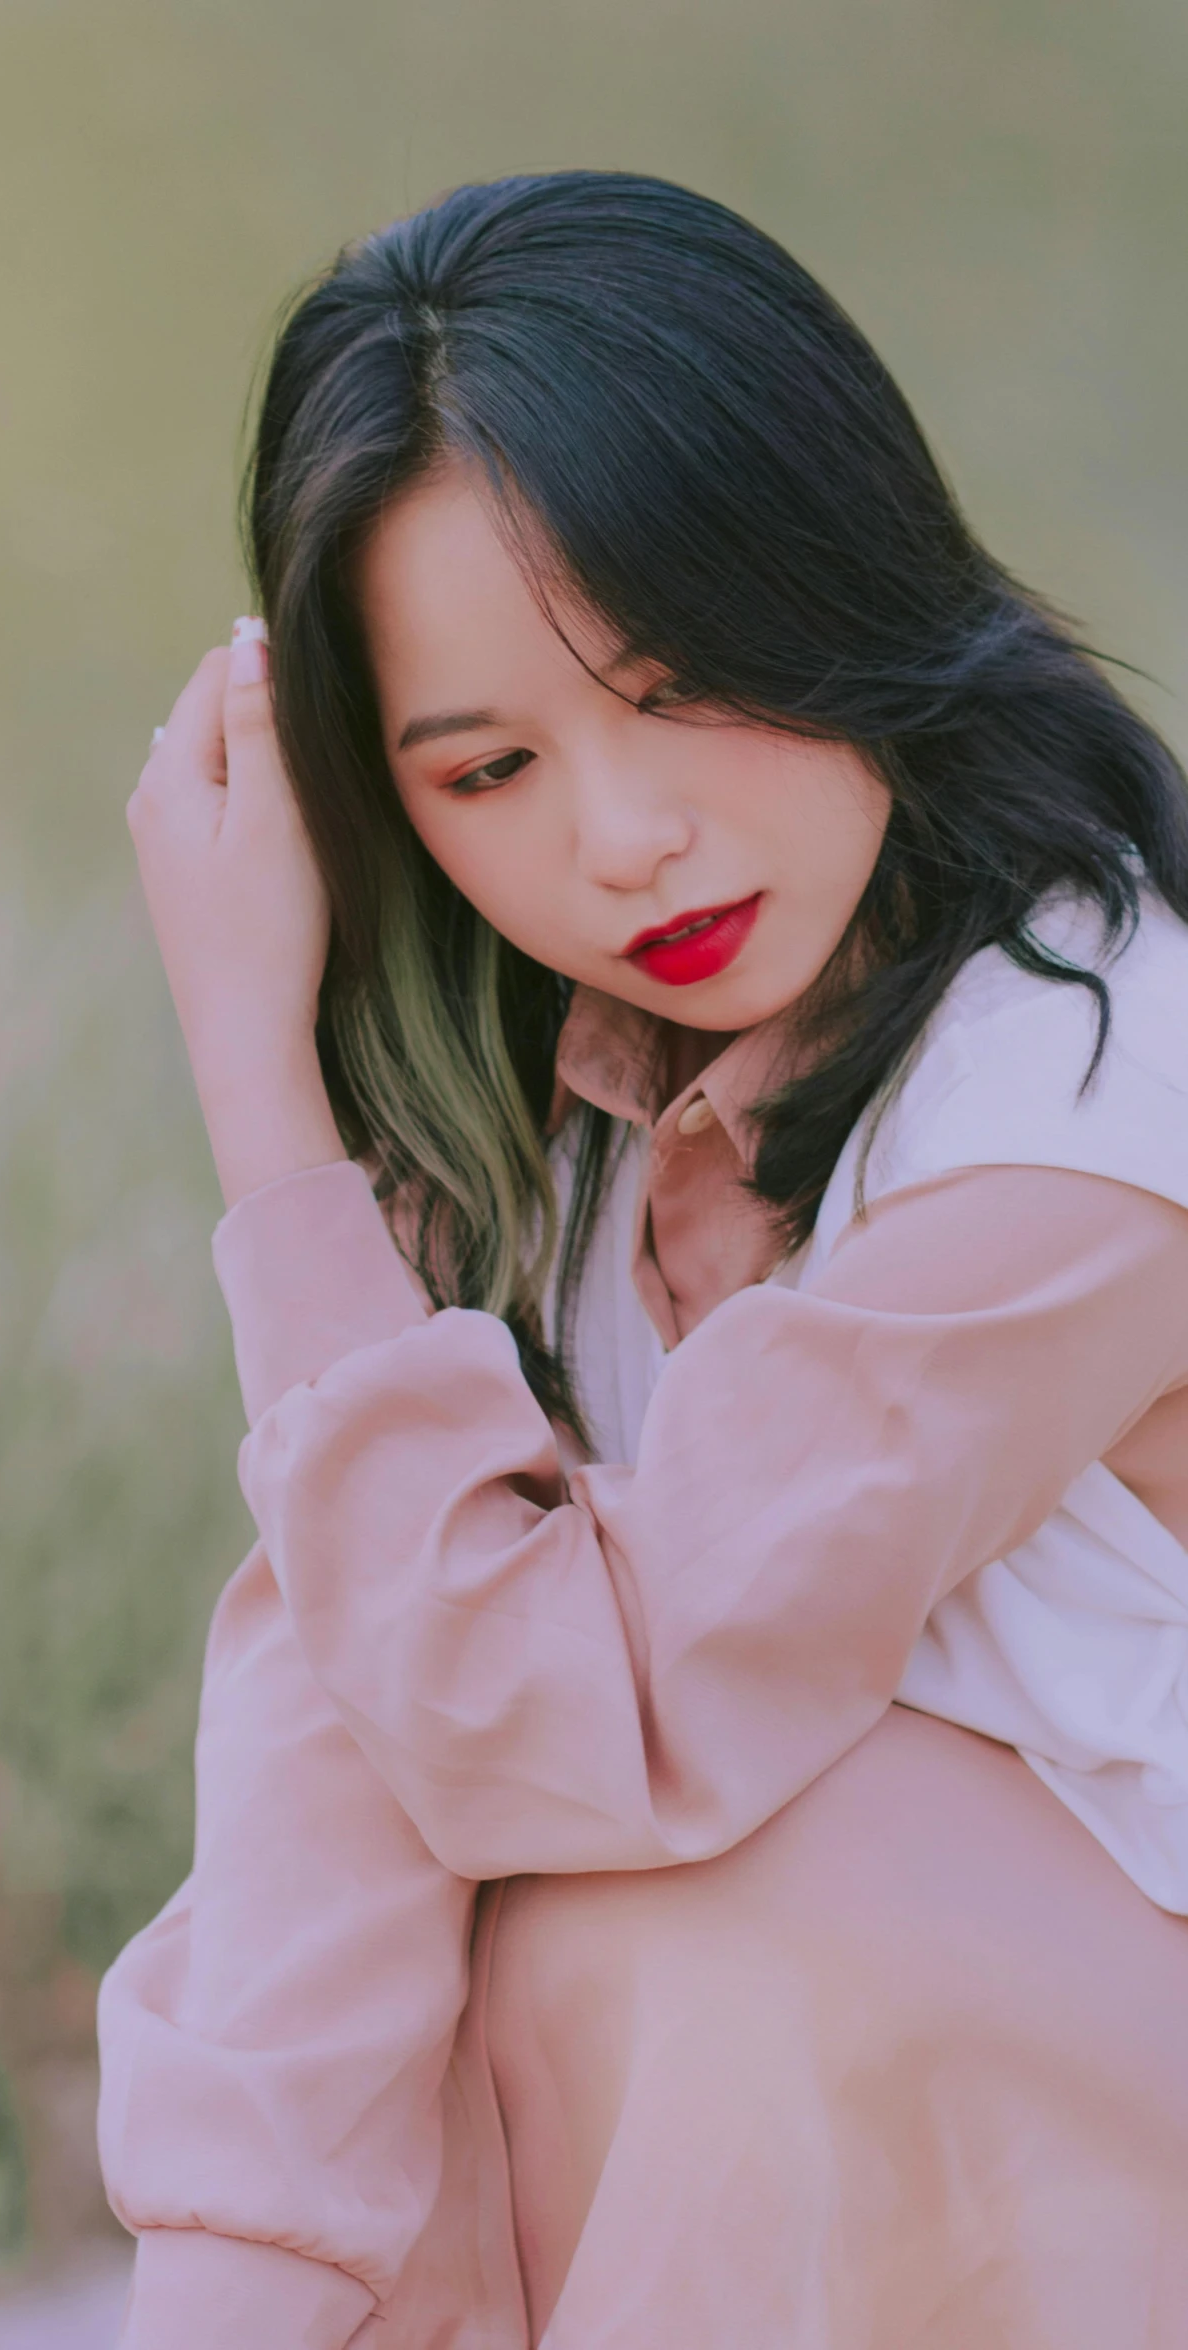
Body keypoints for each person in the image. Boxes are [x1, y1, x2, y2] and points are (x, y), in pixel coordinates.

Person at [103, 171, 1188, 2349]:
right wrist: (224, 2287)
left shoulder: (1089, 1088)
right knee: (512, 1897)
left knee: (746, 1892)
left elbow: (563, 1715)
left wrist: (255, 1091)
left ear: (843, 577)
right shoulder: (578, 1109)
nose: (622, 839)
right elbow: (366, 1684)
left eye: (684, 687)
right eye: (491, 766)